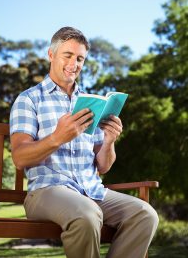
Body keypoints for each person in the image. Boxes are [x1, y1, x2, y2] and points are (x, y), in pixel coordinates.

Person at [10, 26, 158, 258]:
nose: (74, 64)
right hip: (47, 190)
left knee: (145, 214)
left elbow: (103, 167)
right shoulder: (29, 99)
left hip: (91, 190)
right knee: (87, 215)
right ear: (51, 55)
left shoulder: (90, 103)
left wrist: (109, 141)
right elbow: (19, 157)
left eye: (80, 58)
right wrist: (58, 137)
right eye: (67, 55)